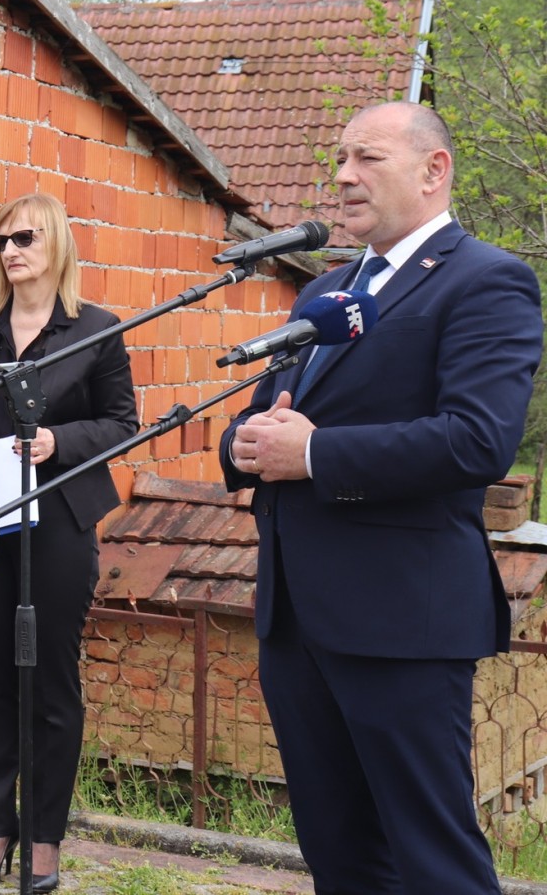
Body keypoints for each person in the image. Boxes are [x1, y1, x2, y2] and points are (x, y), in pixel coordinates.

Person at [222, 101, 542, 895]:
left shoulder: (487, 280)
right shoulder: (325, 293)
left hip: (403, 619)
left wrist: (315, 453)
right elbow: (271, 414)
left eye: (367, 158)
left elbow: (476, 440)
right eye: (339, 158)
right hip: (297, 618)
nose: (342, 176)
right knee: (340, 855)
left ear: (435, 172)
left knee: (432, 860)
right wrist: (239, 444)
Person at [0, 192, 138, 890]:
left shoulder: (97, 329)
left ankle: (45, 836)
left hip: (58, 522)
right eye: (0, 241)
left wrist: (58, 441)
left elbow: (122, 424)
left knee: (48, 680)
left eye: (24, 236)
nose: (11, 250)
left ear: (55, 242)